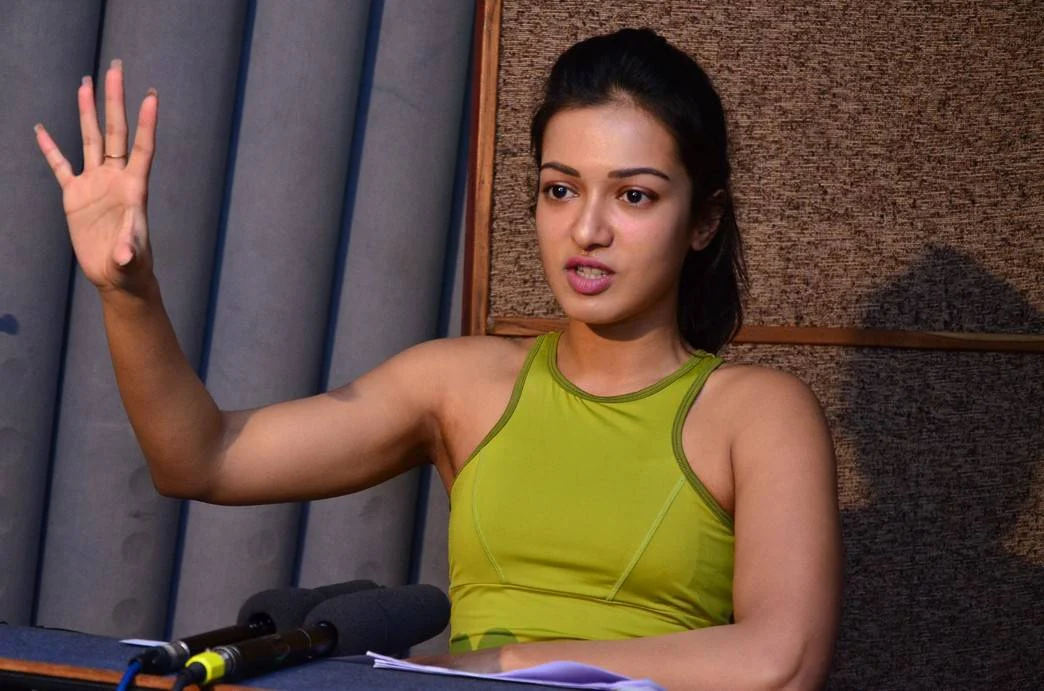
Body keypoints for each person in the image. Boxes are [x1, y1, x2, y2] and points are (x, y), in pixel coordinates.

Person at [35, 28, 840, 690]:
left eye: (634, 195)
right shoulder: (461, 383)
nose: (587, 230)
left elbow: (783, 660)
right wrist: (128, 291)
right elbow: (200, 457)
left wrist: (504, 666)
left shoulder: (759, 413)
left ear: (703, 220)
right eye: (561, 189)